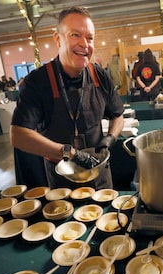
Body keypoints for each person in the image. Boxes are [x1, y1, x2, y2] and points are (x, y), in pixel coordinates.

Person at [10, 6, 124, 190]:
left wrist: (110, 138)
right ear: (58, 39)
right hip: (62, 182)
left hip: (100, 176)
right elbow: (18, 135)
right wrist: (68, 153)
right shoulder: (38, 82)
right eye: (75, 35)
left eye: (90, 38)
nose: (84, 44)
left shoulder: (100, 76)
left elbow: (118, 115)